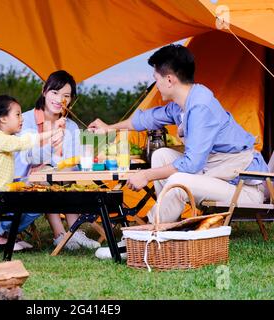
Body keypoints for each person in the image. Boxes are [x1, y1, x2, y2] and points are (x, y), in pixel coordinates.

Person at [88, 44, 268, 226]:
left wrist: (146, 175)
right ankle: (167, 224)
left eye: (155, 79)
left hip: (243, 188)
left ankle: (147, 233)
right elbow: (146, 120)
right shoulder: (182, 104)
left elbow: (192, 164)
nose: (155, 85)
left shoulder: (200, 106)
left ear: (169, 80)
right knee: (161, 155)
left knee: (178, 180)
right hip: (217, 174)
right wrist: (109, 127)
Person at [13, 70, 101, 250]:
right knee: (47, 175)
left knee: (61, 174)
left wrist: (89, 145)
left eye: (66, 96)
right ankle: (61, 234)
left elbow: (73, 160)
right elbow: (26, 156)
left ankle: (74, 232)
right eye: (55, 92)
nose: (60, 99)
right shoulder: (27, 120)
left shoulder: (71, 125)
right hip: (22, 178)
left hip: (57, 177)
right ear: (44, 91)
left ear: (70, 100)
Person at [0, 94, 64, 250]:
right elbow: (24, 142)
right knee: (19, 200)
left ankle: (8, 235)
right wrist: (52, 131)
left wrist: (51, 143)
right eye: (17, 114)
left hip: (4, 192)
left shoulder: (7, 138)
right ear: (3, 118)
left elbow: (30, 151)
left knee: (40, 199)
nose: (21, 118)